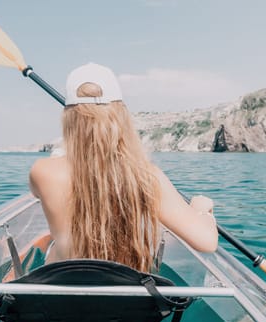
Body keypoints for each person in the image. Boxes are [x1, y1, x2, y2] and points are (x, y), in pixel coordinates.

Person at [28, 63, 217, 273]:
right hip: (126, 298)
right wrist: (201, 210)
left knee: (50, 246)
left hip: (65, 293)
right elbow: (207, 242)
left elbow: (39, 193)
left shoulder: (42, 171)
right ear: (121, 115)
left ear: (69, 119)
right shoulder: (147, 176)